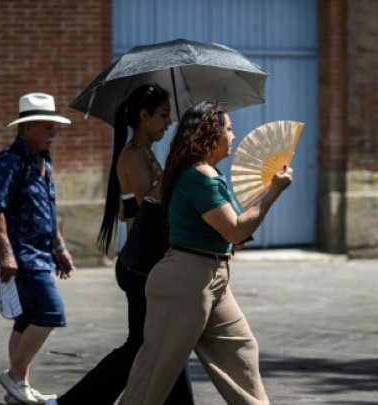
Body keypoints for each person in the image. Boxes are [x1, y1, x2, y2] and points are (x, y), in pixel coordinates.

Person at [119, 101, 293, 405]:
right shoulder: (197, 176)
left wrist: (231, 238)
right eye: (228, 129)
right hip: (185, 283)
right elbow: (235, 228)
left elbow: (227, 230)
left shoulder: (209, 174)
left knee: (241, 350)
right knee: (153, 376)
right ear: (209, 136)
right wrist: (273, 192)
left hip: (213, 277)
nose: (234, 135)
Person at [54, 84, 194, 405]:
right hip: (141, 266)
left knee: (157, 344)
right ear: (143, 117)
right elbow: (150, 210)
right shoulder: (133, 156)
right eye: (163, 115)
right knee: (144, 346)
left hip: (146, 262)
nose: (169, 121)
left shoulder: (144, 155)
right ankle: (72, 402)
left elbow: (126, 210)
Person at [0, 92, 75, 405]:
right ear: (28, 128)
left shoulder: (44, 160)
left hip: (42, 253)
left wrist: (60, 247)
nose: (54, 132)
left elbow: (49, 209)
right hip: (23, 256)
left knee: (26, 319)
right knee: (51, 313)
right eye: (48, 126)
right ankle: (14, 375)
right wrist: (7, 254)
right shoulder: (11, 161)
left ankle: (19, 388)